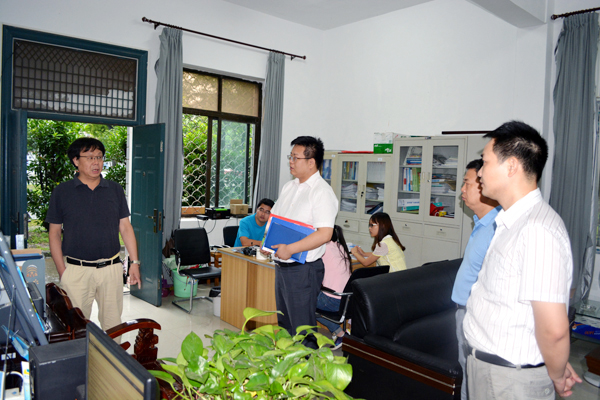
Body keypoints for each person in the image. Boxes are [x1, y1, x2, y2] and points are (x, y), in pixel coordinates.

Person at [463, 121, 581, 399]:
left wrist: (555, 373)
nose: (479, 172)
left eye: (485, 162)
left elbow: (553, 329)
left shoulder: (537, 230)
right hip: (495, 371)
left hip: (509, 381)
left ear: (512, 166)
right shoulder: (513, 222)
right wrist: (553, 361)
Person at [46, 137, 141, 332]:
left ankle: (111, 354)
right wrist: (63, 271)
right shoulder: (62, 192)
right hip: (77, 270)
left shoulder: (114, 189)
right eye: (89, 157)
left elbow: (125, 227)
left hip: (111, 269)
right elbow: (54, 233)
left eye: (99, 157)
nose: (96, 162)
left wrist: (134, 263)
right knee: (77, 327)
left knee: (114, 325)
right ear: (76, 161)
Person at [269, 136, 338, 348]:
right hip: (283, 265)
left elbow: (325, 234)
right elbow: (275, 221)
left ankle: (307, 367)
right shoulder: (289, 187)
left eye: (295, 157)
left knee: (303, 329)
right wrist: (267, 245)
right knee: (285, 324)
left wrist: (290, 249)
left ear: (311, 162)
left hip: (303, 270)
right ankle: (289, 366)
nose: (290, 161)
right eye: (290, 157)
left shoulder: (321, 192)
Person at [451, 158, 501, 400]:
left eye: (467, 183)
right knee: (467, 371)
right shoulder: (481, 223)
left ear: (484, 184)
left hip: (477, 315)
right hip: (466, 311)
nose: (462, 189)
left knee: (474, 376)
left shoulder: (497, 228)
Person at [316, 225, 352, 350]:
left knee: (304, 303)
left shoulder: (323, 248)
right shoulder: (341, 247)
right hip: (347, 300)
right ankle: (339, 333)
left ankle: (339, 333)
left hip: (333, 300)